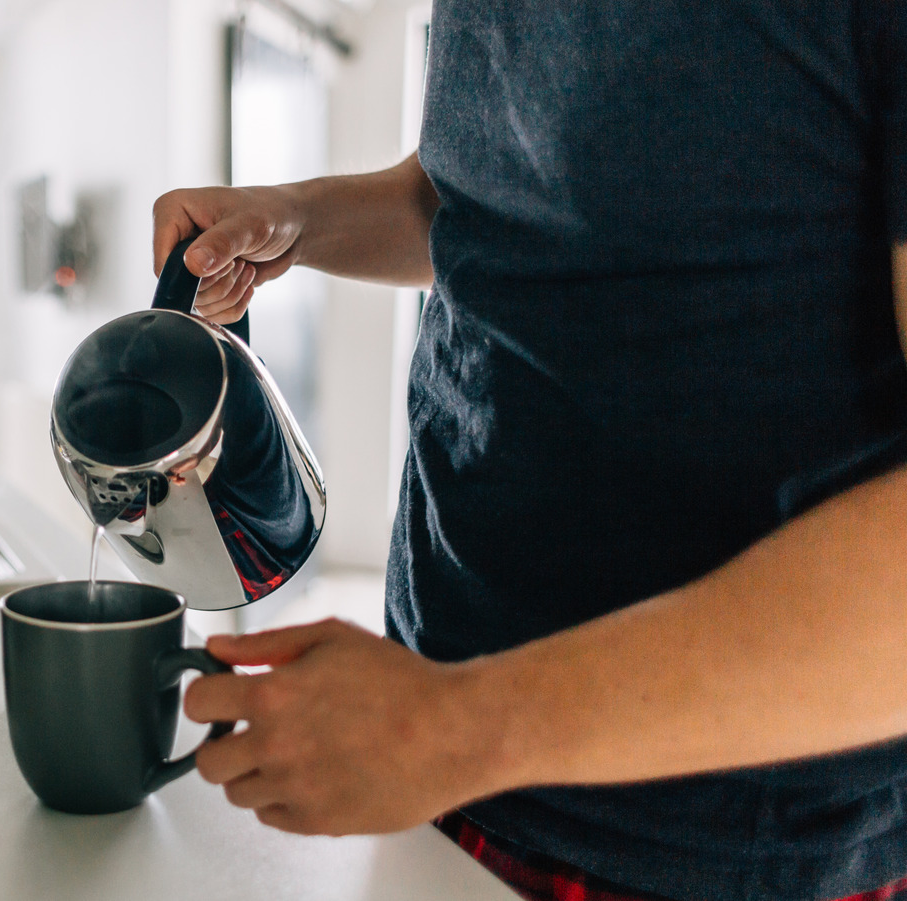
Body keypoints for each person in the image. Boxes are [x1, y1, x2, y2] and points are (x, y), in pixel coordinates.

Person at [153, 3, 907, 901]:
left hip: (720, 846)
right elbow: (477, 194)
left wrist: (455, 726)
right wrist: (298, 219)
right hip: (449, 758)